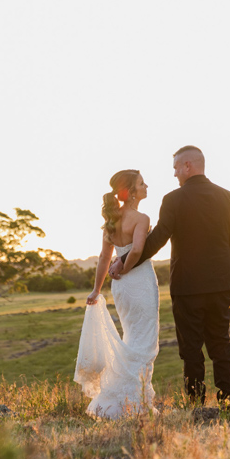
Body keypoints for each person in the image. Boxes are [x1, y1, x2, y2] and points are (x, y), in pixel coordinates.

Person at [110, 145, 230, 407]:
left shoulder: (174, 199)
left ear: (187, 167)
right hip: (220, 285)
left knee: (191, 348)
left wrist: (123, 261)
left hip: (187, 287)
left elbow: (157, 238)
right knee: (221, 345)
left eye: (175, 169)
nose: (174, 175)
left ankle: (195, 405)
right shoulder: (227, 196)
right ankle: (229, 404)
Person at [73, 169, 160, 419]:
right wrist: (125, 267)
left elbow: (103, 257)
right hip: (139, 281)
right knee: (144, 342)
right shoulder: (141, 218)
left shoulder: (112, 220)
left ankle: (123, 399)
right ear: (131, 192)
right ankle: (134, 403)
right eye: (142, 183)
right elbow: (136, 252)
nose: (146, 186)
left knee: (131, 338)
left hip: (120, 286)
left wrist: (97, 289)